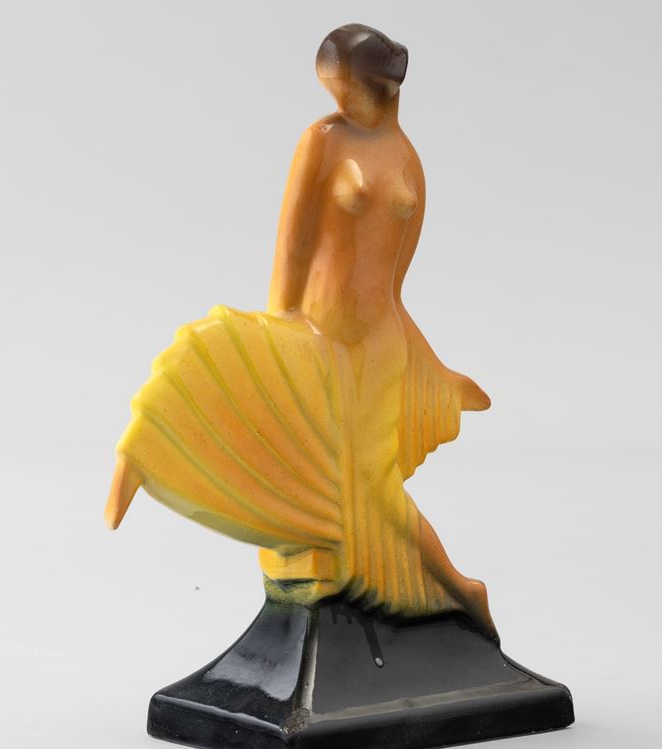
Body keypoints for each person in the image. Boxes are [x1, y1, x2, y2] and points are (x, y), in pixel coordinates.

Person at [106, 24, 497, 640]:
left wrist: (433, 370)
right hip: (317, 338)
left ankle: (451, 588)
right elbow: (291, 247)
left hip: (378, 347)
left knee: (371, 487)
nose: (336, 102)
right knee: (216, 354)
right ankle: (146, 451)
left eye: (345, 90)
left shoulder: (408, 159)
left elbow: (396, 285)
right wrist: (276, 335)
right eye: (329, 90)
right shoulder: (322, 142)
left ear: (382, 87)